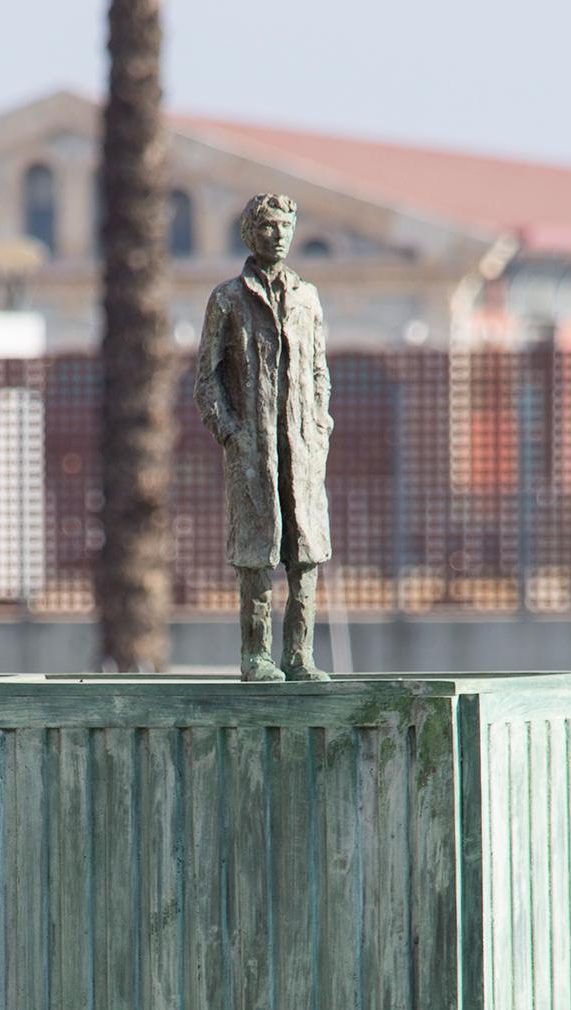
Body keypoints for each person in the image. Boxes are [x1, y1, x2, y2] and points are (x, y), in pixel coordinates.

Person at [193, 193, 334, 682]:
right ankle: (257, 657)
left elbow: (319, 370)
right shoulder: (228, 299)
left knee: (305, 554)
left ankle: (300, 656)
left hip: (302, 448)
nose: (278, 236)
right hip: (253, 450)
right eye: (268, 227)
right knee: (256, 557)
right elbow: (206, 380)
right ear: (249, 235)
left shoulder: (307, 297)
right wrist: (230, 433)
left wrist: (320, 426)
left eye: (285, 227)